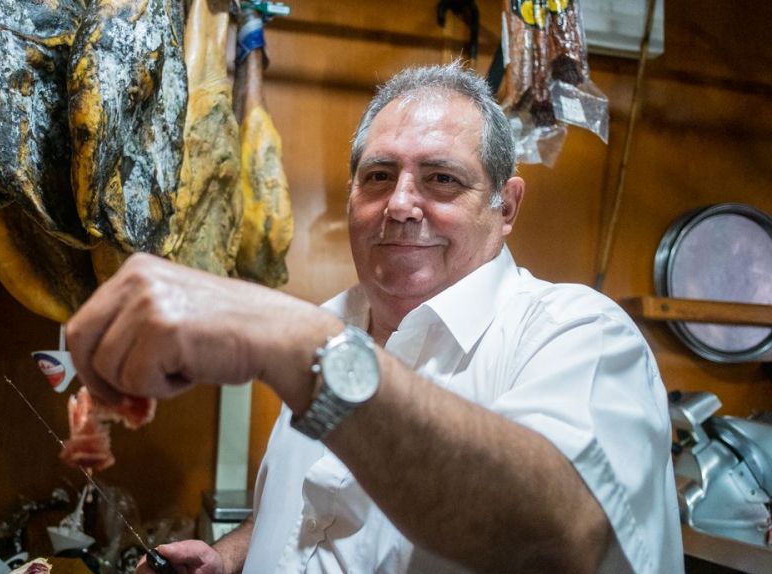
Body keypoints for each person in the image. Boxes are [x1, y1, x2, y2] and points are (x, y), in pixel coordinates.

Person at [66, 62, 683, 573]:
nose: (401, 204)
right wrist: (232, 557)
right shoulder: (336, 323)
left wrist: (293, 336)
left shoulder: (579, 332)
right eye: (379, 176)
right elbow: (319, 507)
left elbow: (559, 538)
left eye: (442, 179)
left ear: (506, 206)